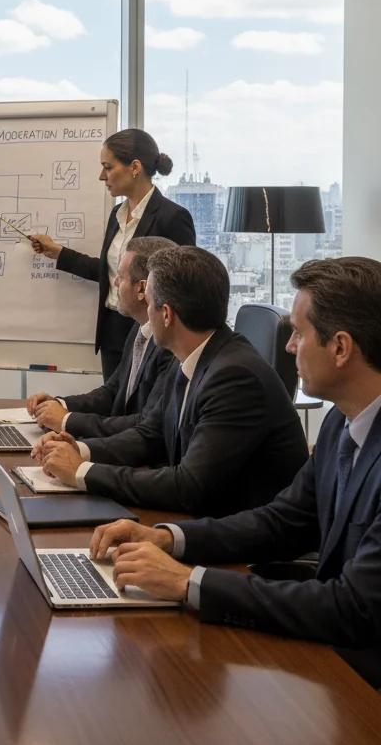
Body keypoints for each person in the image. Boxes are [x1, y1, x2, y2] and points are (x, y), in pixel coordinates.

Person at [90, 257, 381, 688]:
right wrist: (168, 538)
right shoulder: (342, 420)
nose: (288, 347)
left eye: (298, 334)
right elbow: (283, 521)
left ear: (340, 347)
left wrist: (189, 582)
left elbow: (354, 608)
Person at [33, 245, 308, 516]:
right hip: (202, 518)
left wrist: (81, 472)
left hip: (237, 541)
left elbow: (188, 486)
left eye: (150, 302)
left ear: (166, 314)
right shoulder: (190, 357)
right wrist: (78, 450)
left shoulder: (235, 377)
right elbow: (150, 435)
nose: (147, 312)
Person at [30, 129, 196, 380]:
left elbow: (183, 285)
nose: (101, 176)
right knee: (113, 408)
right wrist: (57, 252)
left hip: (151, 335)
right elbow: (113, 273)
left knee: (141, 414)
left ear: (135, 167)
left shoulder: (172, 217)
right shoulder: (117, 214)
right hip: (112, 334)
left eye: (108, 167)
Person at [26, 236, 177, 439]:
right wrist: (59, 404)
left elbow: (145, 423)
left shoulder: (169, 344)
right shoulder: (138, 329)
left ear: (142, 288)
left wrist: (65, 420)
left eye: (121, 277)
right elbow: (112, 391)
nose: (114, 282)